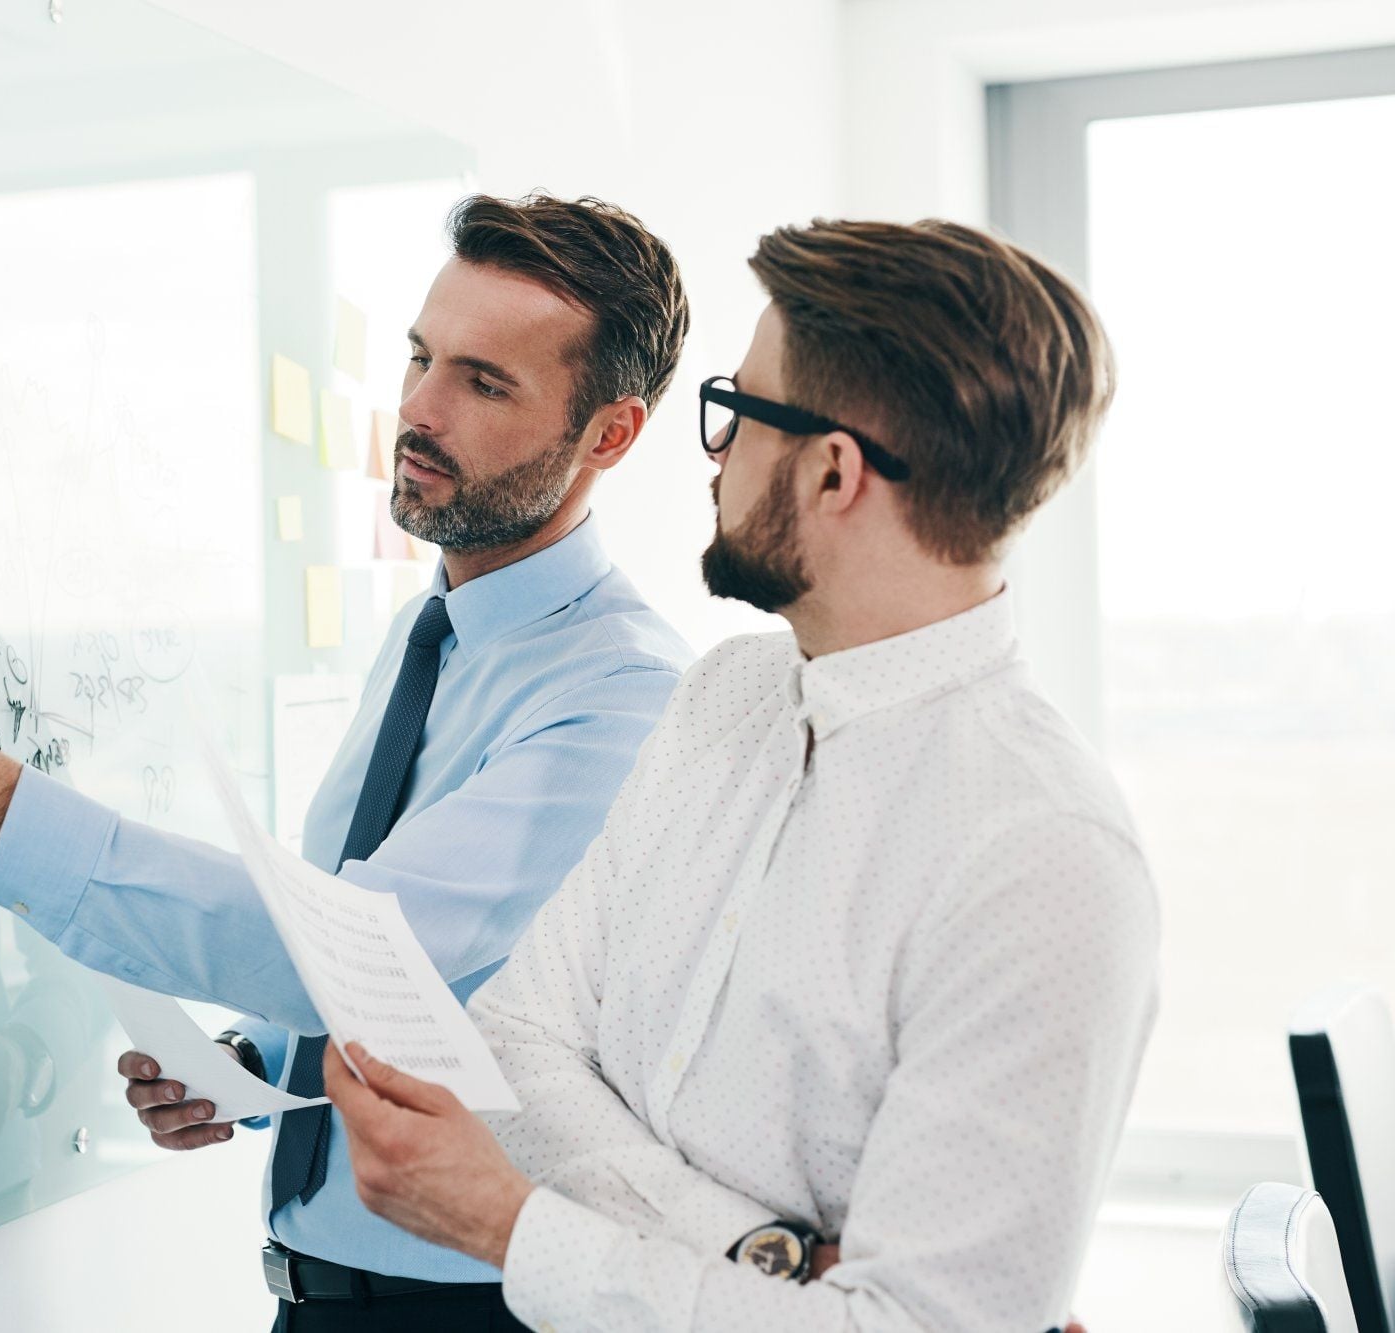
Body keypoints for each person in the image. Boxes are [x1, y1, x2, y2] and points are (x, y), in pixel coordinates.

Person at [0, 193, 695, 1329]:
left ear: (608, 434)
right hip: (323, 1298)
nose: (415, 408)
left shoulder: (619, 698)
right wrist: (253, 1065)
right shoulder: (438, 641)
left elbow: (353, 961)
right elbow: (434, 987)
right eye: (418, 358)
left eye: (482, 381)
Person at [324, 218, 1158, 1333]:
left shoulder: (1038, 855)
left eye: (737, 411)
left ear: (829, 471)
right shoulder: (724, 701)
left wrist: (512, 1227)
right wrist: (761, 1254)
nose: (711, 453)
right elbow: (519, 1042)